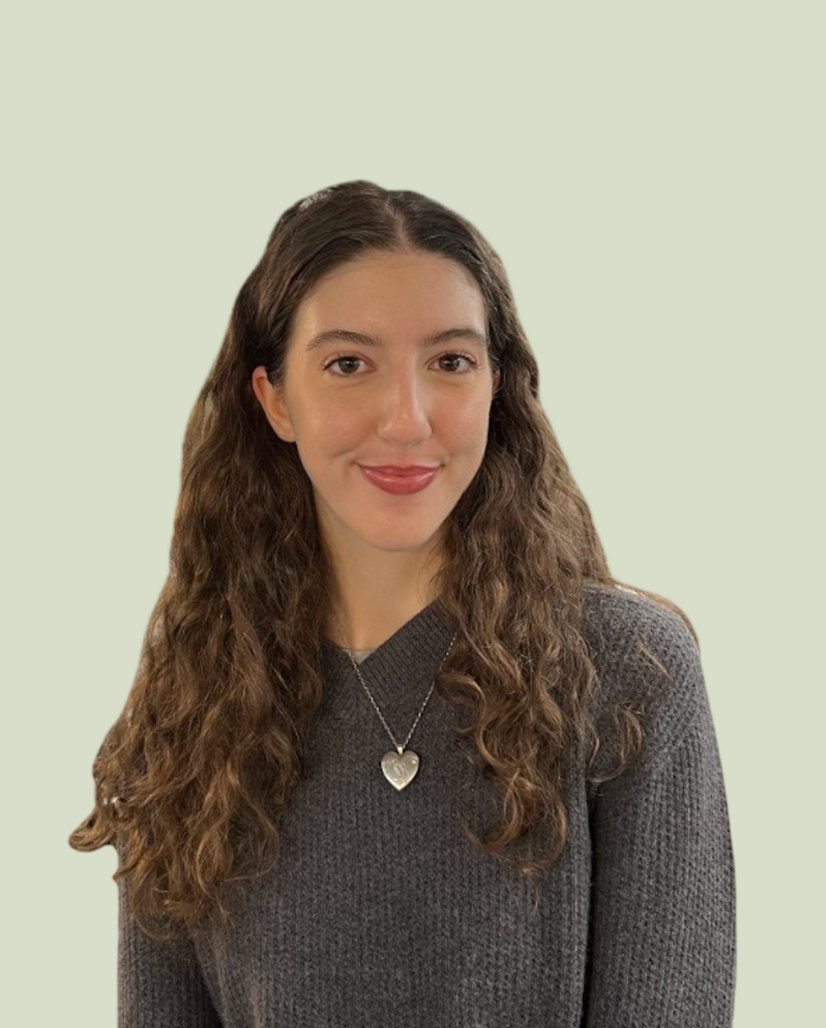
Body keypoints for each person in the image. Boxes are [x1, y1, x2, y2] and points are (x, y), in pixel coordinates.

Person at [71, 180, 736, 1026]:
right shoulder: (193, 703)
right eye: (349, 364)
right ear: (275, 399)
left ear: (497, 385)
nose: (407, 419)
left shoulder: (626, 673)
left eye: (450, 362)